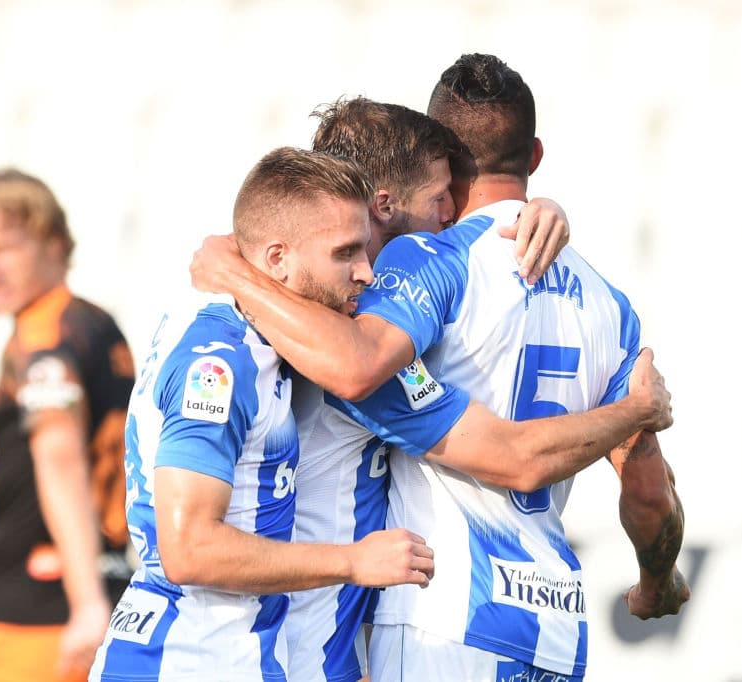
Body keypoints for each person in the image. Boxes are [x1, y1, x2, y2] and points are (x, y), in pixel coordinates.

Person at [189, 60, 689, 681]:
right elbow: (648, 491)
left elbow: (357, 359)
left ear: (448, 156)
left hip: (442, 624)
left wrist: (232, 268)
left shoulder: (419, 270)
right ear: (533, 155)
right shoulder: (610, 303)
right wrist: (656, 581)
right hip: (552, 629)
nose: (447, 210)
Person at [88, 147, 436, 682]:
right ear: (276, 259)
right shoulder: (220, 361)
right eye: (346, 253)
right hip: (185, 658)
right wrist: (351, 561)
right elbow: (189, 548)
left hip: (230, 653)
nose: (366, 273)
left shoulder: (254, 336)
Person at [0, 168, 135, 682]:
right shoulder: (98, 324)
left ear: (53, 243)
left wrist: (85, 600)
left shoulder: (44, 333)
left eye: (5, 248)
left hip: (32, 608)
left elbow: (60, 457)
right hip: (108, 583)